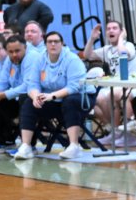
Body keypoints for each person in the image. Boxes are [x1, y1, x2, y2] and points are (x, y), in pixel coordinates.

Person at [13, 31, 89, 160]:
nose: (53, 44)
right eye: (50, 42)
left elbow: (74, 86)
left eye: (56, 41)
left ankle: (74, 146)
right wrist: (36, 96)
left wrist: (52, 96)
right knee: (28, 101)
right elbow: (32, 84)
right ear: (45, 44)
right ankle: (26, 146)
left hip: (80, 99)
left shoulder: (72, 59)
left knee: (70, 100)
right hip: (54, 100)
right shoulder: (40, 59)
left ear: (62, 44)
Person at [0, 35, 37, 155]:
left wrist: (3, 94)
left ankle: (29, 145)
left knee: (24, 99)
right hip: (16, 97)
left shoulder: (33, 58)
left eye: (17, 51)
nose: (14, 54)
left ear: (25, 48)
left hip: (34, 98)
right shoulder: (9, 60)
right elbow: (2, 82)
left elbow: (28, 86)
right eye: (11, 52)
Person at [84, 20, 136, 128]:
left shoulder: (128, 45)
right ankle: (113, 129)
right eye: (108, 29)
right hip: (115, 84)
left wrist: (121, 38)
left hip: (131, 84)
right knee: (96, 99)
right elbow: (87, 55)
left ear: (121, 31)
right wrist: (92, 39)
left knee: (113, 95)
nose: (111, 31)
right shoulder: (107, 49)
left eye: (114, 28)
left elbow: (122, 53)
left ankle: (123, 128)